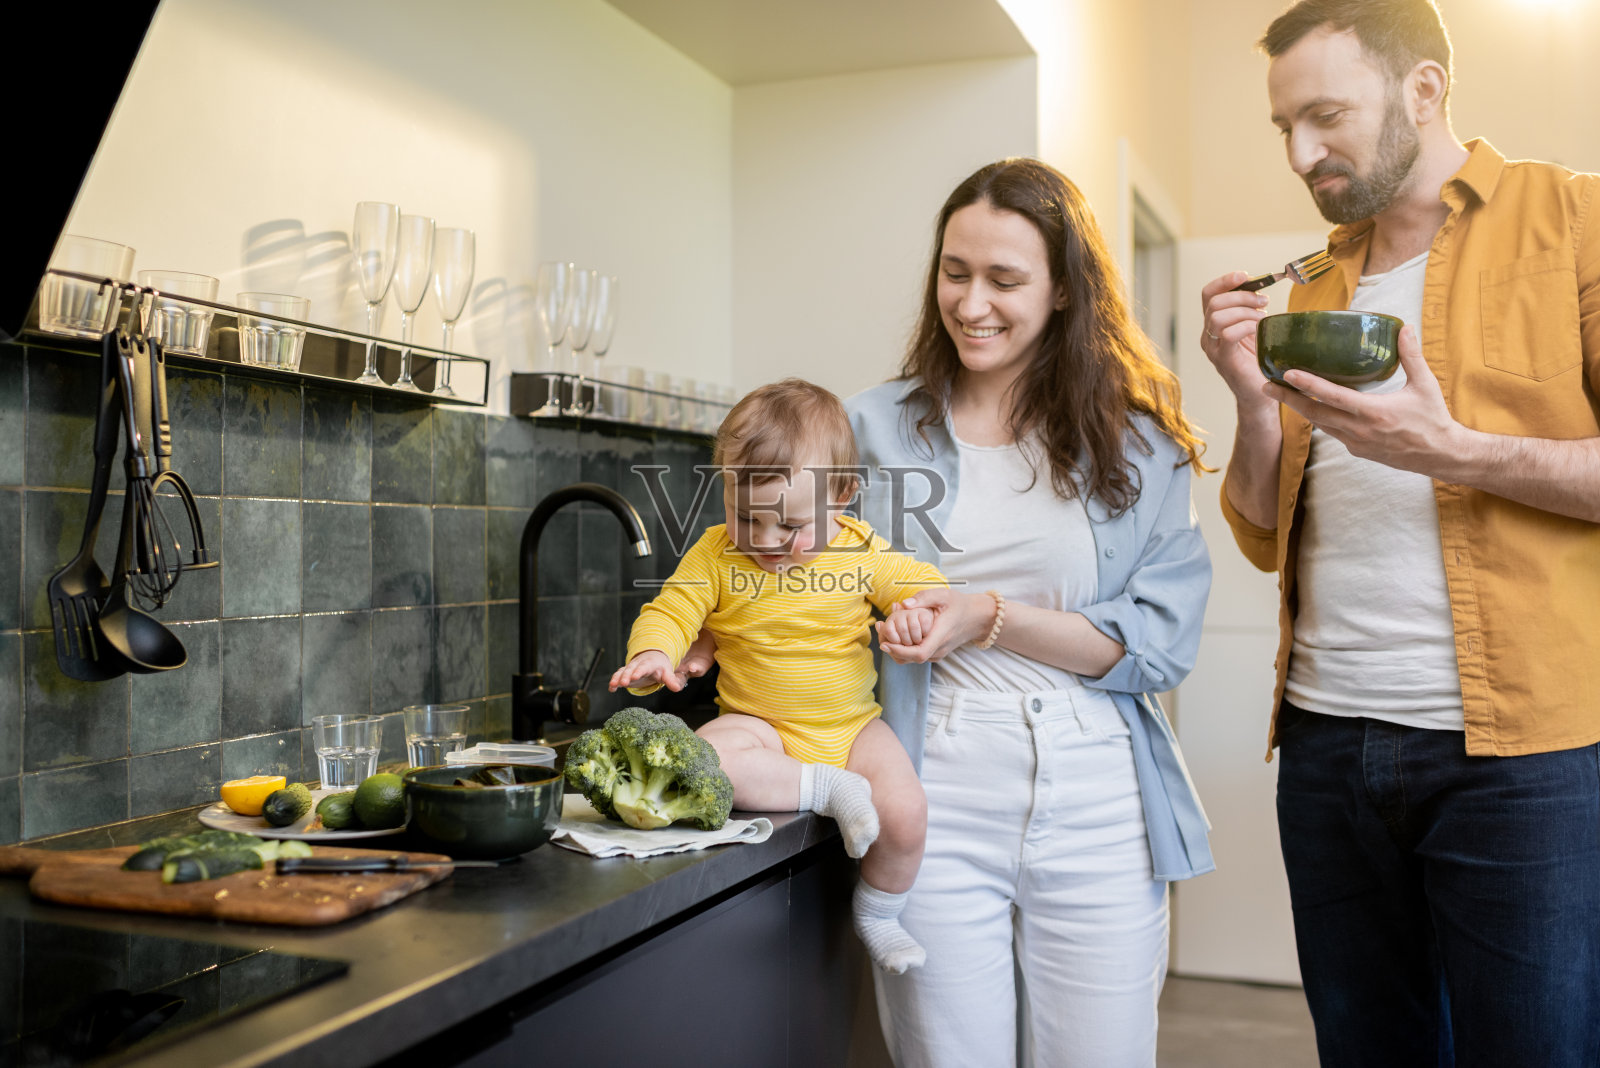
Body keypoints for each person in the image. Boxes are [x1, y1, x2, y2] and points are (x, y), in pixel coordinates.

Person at [1198, 2, 1600, 1065]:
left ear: (1422, 91)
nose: (1299, 153)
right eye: (1282, 127)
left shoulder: (1575, 221)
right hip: (1326, 752)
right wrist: (1247, 399)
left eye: (1324, 115)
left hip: (1526, 762)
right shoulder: (1314, 284)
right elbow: (1258, 532)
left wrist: (1453, 451)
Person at [845, 157, 1214, 1068]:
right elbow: (799, 577)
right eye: (955, 272)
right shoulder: (870, 428)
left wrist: (990, 617)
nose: (972, 303)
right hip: (931, 791)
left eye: (1006, 280)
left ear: (1062, 292)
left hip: (1097, 793)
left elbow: (1160, 645)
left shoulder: (1139, 444)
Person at [610, 377, 947, 975]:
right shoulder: (714, 554)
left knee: (907, 812)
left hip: (850, 728)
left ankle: (879, 913)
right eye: (746, 516)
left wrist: (920, 609)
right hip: (757, 726)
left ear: (841, 496)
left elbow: (920, 584)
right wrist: (655, 654)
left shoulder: (859, 550)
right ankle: (826, 790)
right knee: (702, 758)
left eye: (789, 526)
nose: (766, 541)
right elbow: (671, 609)